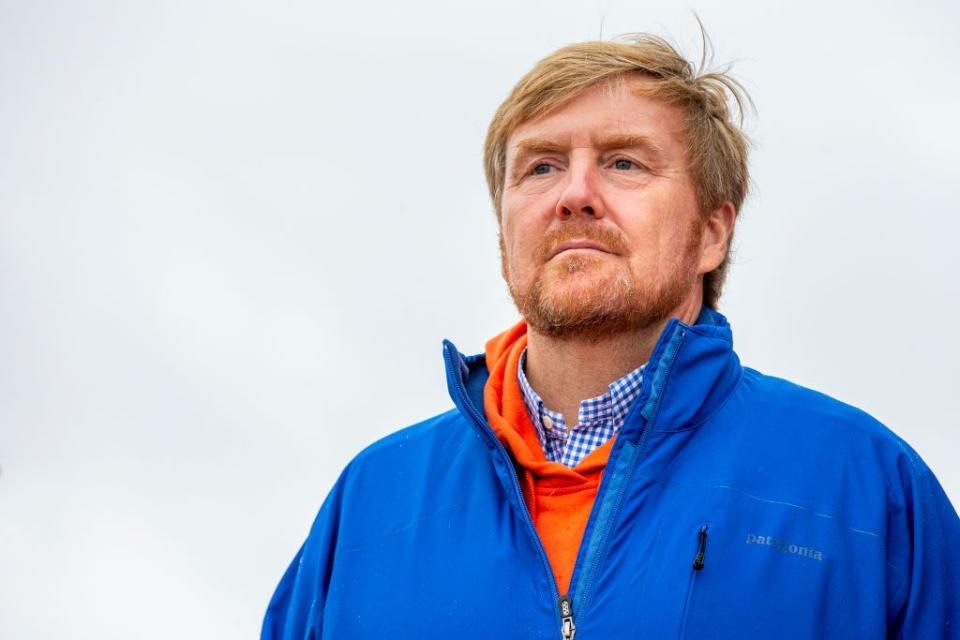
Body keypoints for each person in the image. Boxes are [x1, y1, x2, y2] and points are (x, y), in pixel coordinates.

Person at [261, 33, 960, 639]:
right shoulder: (368, 509)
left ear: (712, 232)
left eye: (624, 162)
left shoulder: (865, 490)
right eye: (540, 166)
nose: (575, 193)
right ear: (504, 240)